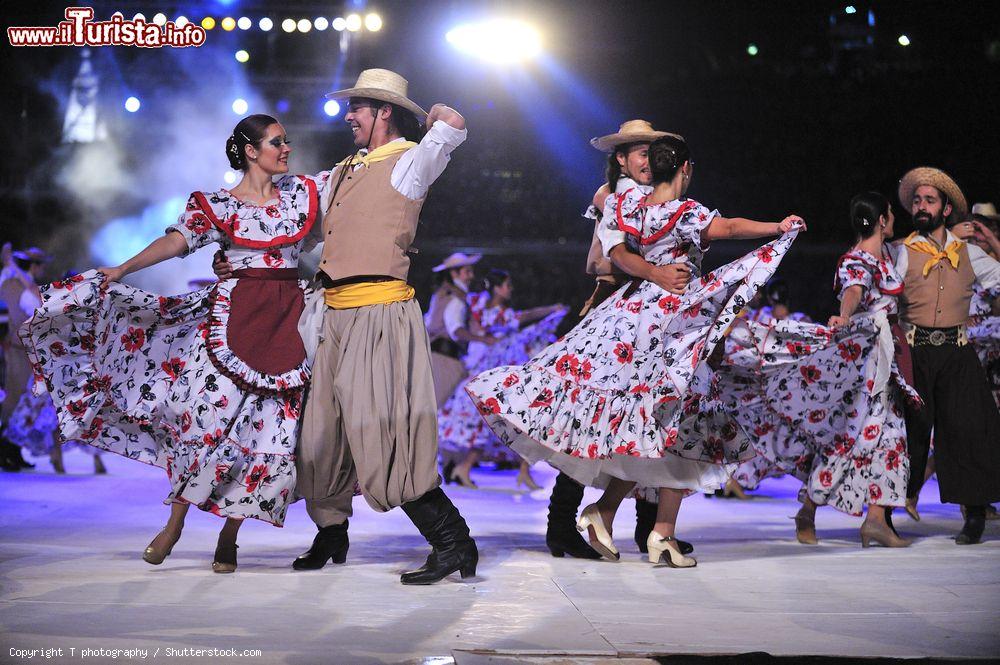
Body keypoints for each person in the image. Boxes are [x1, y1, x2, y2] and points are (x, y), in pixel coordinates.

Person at [467, 135, 804, 566]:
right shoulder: (670, 208)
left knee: (651, 421)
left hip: (634, 316)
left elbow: (624, 248)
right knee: (665, 415)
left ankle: (640, 524)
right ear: (683, 169)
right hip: (666, 320)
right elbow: (730, 227)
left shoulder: (634, 208)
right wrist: (778, 227)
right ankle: (633, 524)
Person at [22, 114, 322, 573]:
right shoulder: (219, 204)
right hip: (234, 322)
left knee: (267, 435)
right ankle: (175, 524)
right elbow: (178, 241)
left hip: (287, 327)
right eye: (278, 142)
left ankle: (229, 536)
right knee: (204, 425)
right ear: (250, 150)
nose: (287, 149)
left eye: (287, 140)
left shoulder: (302, 194)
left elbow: (349, 192)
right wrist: (121, 270)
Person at [244, 68, 478, 585]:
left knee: (384, 431)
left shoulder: (410, 162)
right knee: (319, 432)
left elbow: (453, 123)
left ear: (383, 112)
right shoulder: (341, 171)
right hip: (332, 312)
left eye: (359, 107)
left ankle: (452, 541)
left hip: (380, 312)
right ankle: (331, 533)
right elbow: (311, 238)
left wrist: (422, 112)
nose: (348, 115)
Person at [546, 120, 692, 561]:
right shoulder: (615, 196)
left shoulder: (654, 196)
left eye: (652, 150)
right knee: (598, 415)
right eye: (638, 152)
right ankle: (565, 523)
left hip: (647, 309)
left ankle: (646, 526)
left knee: (644, 415)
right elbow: (606, 259)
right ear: (622, 159)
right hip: (618, 303)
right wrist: (656, 271)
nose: (647, 159)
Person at [892, 167, 1000, 544]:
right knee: (908, 432)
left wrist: (991, 241)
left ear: (946, 209)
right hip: (915, 351)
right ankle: (887, 510)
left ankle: (973, 515)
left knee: (968, 430)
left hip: (957, 351)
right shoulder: (900, 251)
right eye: (917, 200)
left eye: (930, 200)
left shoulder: (968, 252)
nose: (921, 206)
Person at [438, 268, 566, 489]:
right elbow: (522, 316)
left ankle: (519, 470)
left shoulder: (495, 311)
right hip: (480, 371)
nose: (510, 290)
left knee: (510, 420)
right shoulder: (478, 305)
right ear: (496, 287)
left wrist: (551, 310)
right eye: (507, 285)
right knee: (495, 421)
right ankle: (466, 467)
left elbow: (525, 315)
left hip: (490, 372)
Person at [425, 252, 495, 413]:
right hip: (444, 359)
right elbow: (456, 330)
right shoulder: (455, 298)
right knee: (436, 410)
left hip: (438, 356)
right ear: (454, 273)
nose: (471, 276)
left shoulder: (445, 293)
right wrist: (484, 340)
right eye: (467, 271)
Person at [1, 244, 48, 471]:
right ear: (34, 265)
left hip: (27, 351)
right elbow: (35, 304)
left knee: (23, 402)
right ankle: (6, 450)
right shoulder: (15, 285)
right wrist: (10, 264)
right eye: (40, 265)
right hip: (18, 350)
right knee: (16, 398)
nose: (42, 269)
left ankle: (13, 450)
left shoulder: (21, 284)